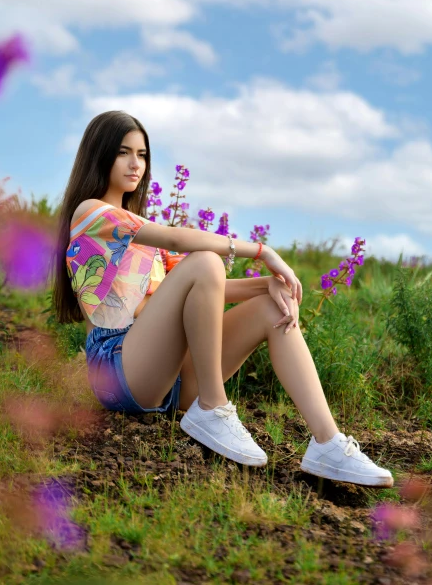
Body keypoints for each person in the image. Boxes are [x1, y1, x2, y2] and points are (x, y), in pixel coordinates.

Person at [52, 110, 393, 488]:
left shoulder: (141, 229)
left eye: (143, 154)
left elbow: (209, 288)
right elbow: (183, 244)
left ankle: (327, 444)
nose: (137, 164)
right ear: (99, 155)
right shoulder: (92, 213)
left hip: (168, 378)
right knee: (206, 262)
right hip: (118, 368)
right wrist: (261, 251)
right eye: (124, 152)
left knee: (267, 307)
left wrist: (269, 285)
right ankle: (212, 407)